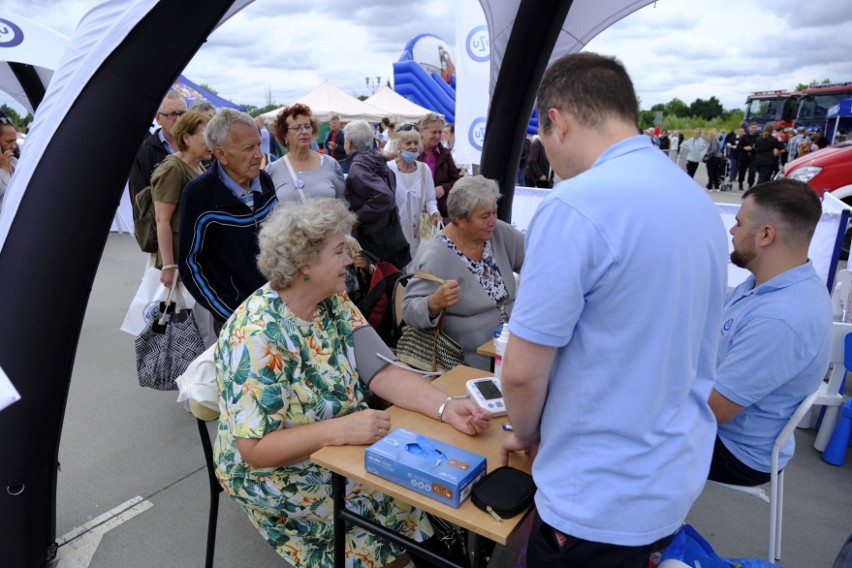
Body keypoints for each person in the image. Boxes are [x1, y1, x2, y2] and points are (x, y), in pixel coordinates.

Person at [499, 52, 727, 567]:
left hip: (595, 491)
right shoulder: (697, 201)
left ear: (556, 120)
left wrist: (525, 431)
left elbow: (521, 374)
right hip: (669, 473)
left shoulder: (576, 204)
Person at [213, 198, 491, 568]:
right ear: (304, 263)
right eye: (339, 251)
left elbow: (383, 371)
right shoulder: (257, 335)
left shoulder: (332, 302)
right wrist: (339, 429)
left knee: (412, 502)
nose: (350, 259)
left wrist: (446, 407)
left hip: (340, 447)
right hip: (277, 475)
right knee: (392, 519)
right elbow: (256, 449)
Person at [708, 179, 831, 486]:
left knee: (608, 422)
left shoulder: (781, 317)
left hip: (734, 452)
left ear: (765, 235)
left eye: (739, 223)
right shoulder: (769, 283)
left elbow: (714, 409)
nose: (732, 231)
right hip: (727, 429)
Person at [402, 175, 525, 371]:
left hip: (516, 344)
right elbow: (409, 309)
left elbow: (535, 259)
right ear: (460, 219)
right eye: (484, 216)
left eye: (494, 212)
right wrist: (433, 304)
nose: (493, 221)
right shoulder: (436, 255)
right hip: (471, 362)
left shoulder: (500, 233)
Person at [178, 109, 278, 330]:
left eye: (259, 144)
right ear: (221, 154)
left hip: (279, 306)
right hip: (237, 319)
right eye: (249, 148)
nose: (259, 154)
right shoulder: (199, 194)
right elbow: (191, 264)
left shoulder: (265, 181)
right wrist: (230, 314)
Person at [344, 120, 411, 270]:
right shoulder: (376, 160)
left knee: (382, 287)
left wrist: (357, 217)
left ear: (348, 143)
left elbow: (384, 197)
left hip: (375, 241)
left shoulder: (359, 166)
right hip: (390, 235)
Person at [151, 111, 211, 279]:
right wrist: (169, 265)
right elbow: (162, 219)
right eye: (205, 136)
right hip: (182, 261)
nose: (211, 142)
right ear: (186, 138)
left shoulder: (199, 167)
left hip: (199, 257)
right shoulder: (172, 168)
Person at [266, 104, 345, 203]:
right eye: (297, 128)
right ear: (284, 134)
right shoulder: (272, 170)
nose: (304, 131)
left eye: (307, 127)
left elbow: (343, 205)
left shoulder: (331, 164)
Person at [387, 126, 440, 270]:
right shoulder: (388, 169)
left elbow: (430, 199)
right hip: (397, 231)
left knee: (419, 267)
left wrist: (434, 212)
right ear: (399, 145)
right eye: (408, 143)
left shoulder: (424, 169)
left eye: (416, 143)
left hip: (421, 230)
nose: (412, 147)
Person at [129, 91, 187, 203]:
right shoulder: (145, 151)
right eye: (172, 114)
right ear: (158, 118)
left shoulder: (197, 145)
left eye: (182, 114)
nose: (179, 120)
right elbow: (140, 200)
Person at [419, 113, 460, 218]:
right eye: (433, 132)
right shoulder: (412, 152)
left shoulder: (445, 154)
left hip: (439, 211)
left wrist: (444, 188)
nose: (437, 136)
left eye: (440, 132)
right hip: (416, 210)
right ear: (422, 131)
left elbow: (456, 180)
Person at [0, 121, 19, 212]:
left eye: (15, 141)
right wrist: (3, 170)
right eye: (8, 141)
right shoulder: (6, 165)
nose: (14, 146)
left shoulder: (14, 162)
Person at [737, 122, 760, 190]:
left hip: (753, 156)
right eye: (752, 127)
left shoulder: (759, 137)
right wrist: (744, 148)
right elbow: (738, 147)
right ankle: (740, 182)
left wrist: (755, 148)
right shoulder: (744, 137)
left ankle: (750, 184)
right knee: (742, 171)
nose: (754, 129)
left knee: (752, 171)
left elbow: (761, 147)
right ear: (749, 128)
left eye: (755, 128)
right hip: (744, 156)